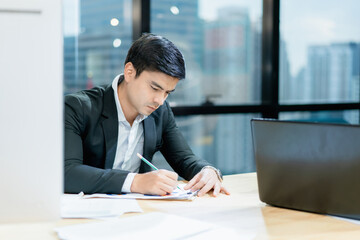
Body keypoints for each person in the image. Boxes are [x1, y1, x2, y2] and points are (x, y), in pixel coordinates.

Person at [64, 33, 230, 197]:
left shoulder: (160, 112)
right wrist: (135, 182)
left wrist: (208, 171)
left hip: (139, 211)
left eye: (167, 92)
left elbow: (184, 158)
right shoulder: (77, 107)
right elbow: (67, 172)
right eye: (154, 88)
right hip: (86, 213)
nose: (160, 100)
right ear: (129, 72)